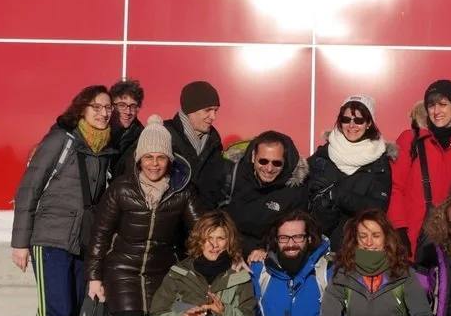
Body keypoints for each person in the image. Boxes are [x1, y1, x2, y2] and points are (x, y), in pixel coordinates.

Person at [86, 115, 203, 316]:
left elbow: (200, 231)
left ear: (169, 158)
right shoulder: (121, 190)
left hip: (161, 272)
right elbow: (100, 234)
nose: (154, 164)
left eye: (160, 157)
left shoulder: (181, 191)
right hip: (123, 269)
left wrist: (222, 255)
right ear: (139, 160)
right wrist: (95, 276)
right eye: (148, 157)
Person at [12, 85, 117, 316]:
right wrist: (20, 241)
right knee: (53, 315)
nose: (104, 113)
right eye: (97, 107)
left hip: (81, 244)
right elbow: (29, 186)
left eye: (108, 108)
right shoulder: (62, 140)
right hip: (51, 240)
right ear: (82, 109)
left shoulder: (103, 148)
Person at [388, 79, 451, 265]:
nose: (436, 111)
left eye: (443, 104)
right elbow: (395, 187)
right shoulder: (411, 140)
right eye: (431, 105)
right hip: (414, 240)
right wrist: (399, 229)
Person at [307, 94, 395, 252]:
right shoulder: (322, 156)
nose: (352, 125)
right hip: (319, 248)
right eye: (346, 119)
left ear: (368, 123)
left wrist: (339, 195)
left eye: (359, 120)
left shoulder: (379, 162)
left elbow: (378, 208)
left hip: (357, 249)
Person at [224, 130, 310, 259]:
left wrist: (266, 250)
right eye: (263, 161)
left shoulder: (295, 190)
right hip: (226, 247)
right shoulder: (231, 175)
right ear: (253, 156)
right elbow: (212, 217)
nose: (269, 169)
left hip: (268, 255)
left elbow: (295, 234)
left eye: (276, 163)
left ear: (285, 162)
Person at [165, 80, 226, 210]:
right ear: (190, 110)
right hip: (169, 221)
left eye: (215, 110)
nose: (213, 116)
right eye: (208, 110)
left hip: (203, 222)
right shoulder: (163, 134)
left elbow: (216, 187)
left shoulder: (214, 141)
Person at [110, 78, 145, 178]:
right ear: (112, 106)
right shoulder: (100, 131)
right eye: (122, 105)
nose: (128, 112)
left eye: (133, 106)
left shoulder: (142, 138)